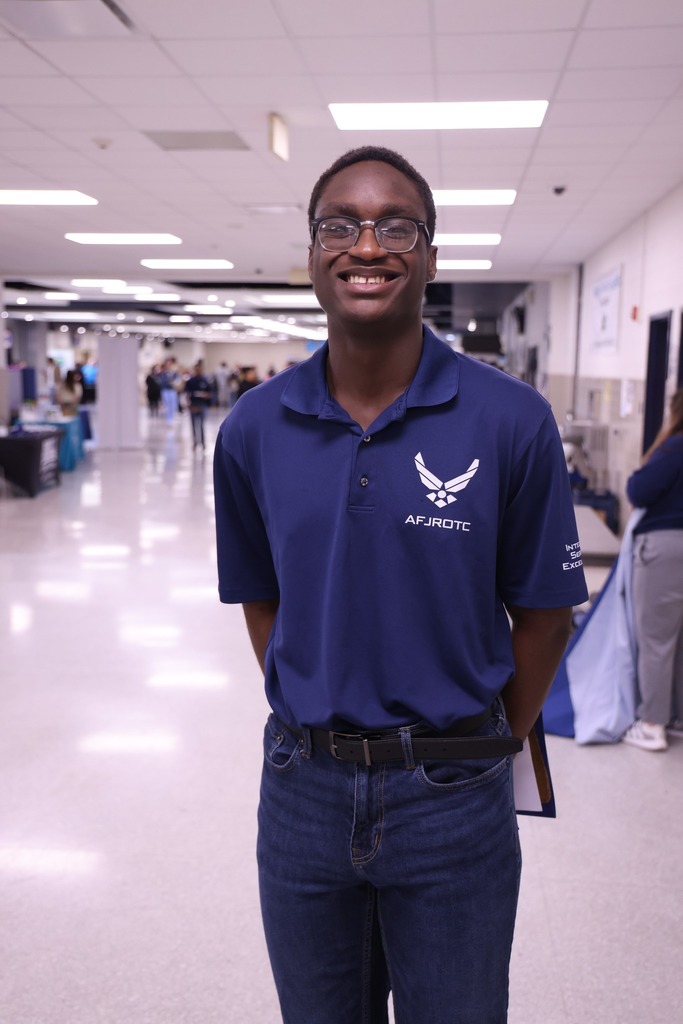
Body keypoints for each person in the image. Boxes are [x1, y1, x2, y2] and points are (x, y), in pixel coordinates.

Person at [213, 146, 588, 1024]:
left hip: (453, 798)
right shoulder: (254, 428)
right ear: (311, 253)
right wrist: (318, 704)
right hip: (301, 790)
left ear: (429, 253)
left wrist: (475, 750)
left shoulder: (510, 420)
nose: (366, 244)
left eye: (395, 226)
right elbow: (262, 602)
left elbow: (543, 617)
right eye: (339, 225)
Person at [622, 389, 683, 752]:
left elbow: (639, 490)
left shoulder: (674, 447)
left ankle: (652, 724)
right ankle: (675, 716)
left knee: (657, 638)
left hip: (667, 548)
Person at [184, 359, 212, 450]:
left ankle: (203, 443)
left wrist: (204, 395)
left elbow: (210, 394)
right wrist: (188, 405)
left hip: (202, 405)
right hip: (193, 405)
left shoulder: (205, 381)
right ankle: (195, 443)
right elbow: (187, 394)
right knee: (193, 425)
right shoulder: (190, 381)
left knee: (201, 425)